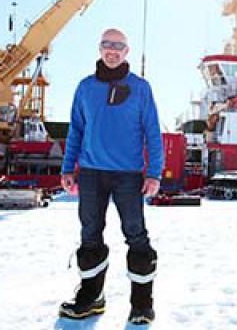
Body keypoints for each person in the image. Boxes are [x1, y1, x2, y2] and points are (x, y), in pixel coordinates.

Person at [58, 28, 164, 325]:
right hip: (91, 174)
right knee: (89, 235)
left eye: (118, 45)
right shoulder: (85, 87)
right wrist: (68, 169)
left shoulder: (141, 88)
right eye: (107, 44)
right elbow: (76, 130)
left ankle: (142, 305)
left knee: (136, 236)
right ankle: (91, 298)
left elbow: (152, 133)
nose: (112, 50)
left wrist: (153, 172)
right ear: (100, 48)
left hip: (128, 176)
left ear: (126, 51)